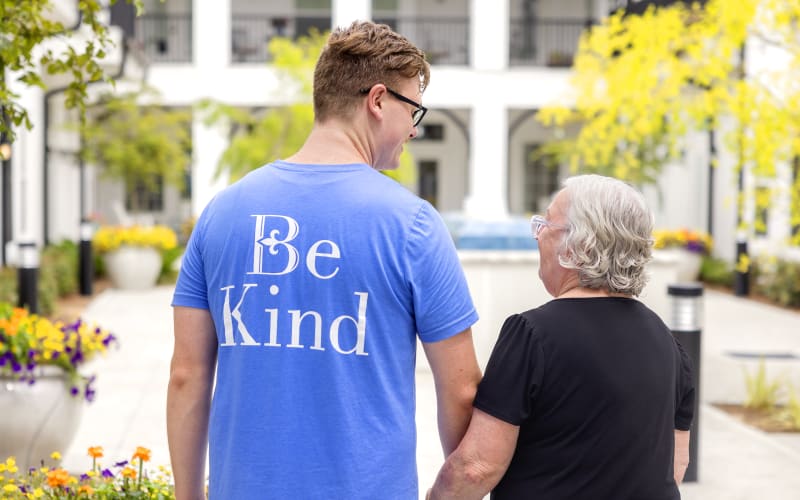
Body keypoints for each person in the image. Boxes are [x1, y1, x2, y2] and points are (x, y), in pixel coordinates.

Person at [167, 21, 481, 500]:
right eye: (413, 110)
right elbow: (460, 391)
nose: (414, 131)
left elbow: (187, 377)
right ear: (377, 101)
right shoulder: (413, 225)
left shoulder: (221, 212)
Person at [428, 174, 695, 499]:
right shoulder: (671, 346)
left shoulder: (531, 335)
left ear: (580, 245)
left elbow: (477, 468)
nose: (537, 236)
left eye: (546, 225)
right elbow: (675, 465)